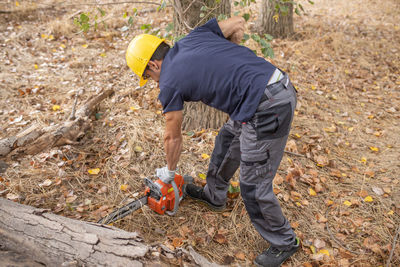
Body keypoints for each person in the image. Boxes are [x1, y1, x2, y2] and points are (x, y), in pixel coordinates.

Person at [126, 16, 299, 267]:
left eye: (148, 76)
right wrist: (232, 59)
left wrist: (169, 173)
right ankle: (214, 195)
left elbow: (172, 135)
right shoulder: (194, 37)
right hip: (258, 97)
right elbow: (238, 23)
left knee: (253, 182)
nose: (153, 82)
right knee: (227, 141)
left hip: (270, 105)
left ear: (153, 64)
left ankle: (285, 241)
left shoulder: (169, 83)